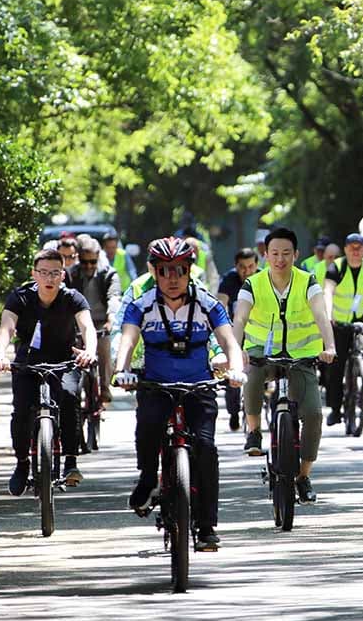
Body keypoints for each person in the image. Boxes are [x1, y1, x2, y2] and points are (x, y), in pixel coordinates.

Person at [113, 237, 245, 551]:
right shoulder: (141, 305)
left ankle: (206, 526)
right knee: (148, 425)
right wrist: (121, 370)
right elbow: (128, 341)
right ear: (155, 273)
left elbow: (229, 342)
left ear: (189, 271)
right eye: (165, 271)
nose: (173, 278)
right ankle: (147, 479)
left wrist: (236, 369)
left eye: (180, 271)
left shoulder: (207, 302)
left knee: (206, 447)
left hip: (199, 387)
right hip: (156, 386)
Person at [231, 227, 337, 503]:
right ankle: (253, 431)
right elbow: (240, 319)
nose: (280, 259)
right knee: (252, 378)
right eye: (274, 253)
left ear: (296, 255)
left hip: (301, 357)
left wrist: (330, 347)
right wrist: (235, 350)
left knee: (313, 414)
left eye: (286, 253)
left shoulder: (307, 281)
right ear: (265, 255)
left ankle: (303, 476)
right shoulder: (252, 284)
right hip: (261, 355)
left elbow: (320, 314)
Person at [0, 248, 98, 494]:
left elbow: (87, 327)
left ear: (63, 275)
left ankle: (70, 461)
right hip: (28, 362)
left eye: (55, 273)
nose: (49, 278)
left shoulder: (73, 298)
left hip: (64, 362)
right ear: (34, 274)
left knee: (70, 398)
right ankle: (21, 463)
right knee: (20, 410)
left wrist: (89, 350)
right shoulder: (20, 297)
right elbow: (6, 329)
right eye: (44, 273)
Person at [323, 232, 363, 426]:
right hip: (339, 321)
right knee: (336, 366)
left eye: (359, 248)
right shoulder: (336, 267)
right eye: (351, 247)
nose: (355, 251)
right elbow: (327, 291)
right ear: (345, 250)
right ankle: (335, 409)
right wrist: (328, 314)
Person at [68, 236, 121, 403]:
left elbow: (114, 297)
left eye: (92, 262)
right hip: (78, 324)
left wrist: (111, 317)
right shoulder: (71, 274)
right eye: (84, 262)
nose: (89, 266)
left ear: (98, 257)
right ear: (78, 258)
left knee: (104, 349)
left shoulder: (108, 274)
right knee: (72, 352)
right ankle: (73, 390)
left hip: (100, 322)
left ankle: (104, 388)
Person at [216, 248, 260, 431]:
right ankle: (234, 412)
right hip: (237, 330)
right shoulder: (229, 280)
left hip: (260, 331)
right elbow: (220, 304)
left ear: (257, 266)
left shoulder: (264, 279)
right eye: (242, 267)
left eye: (251, 266)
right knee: (233, 370)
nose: (247, 271)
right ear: (236, 266)